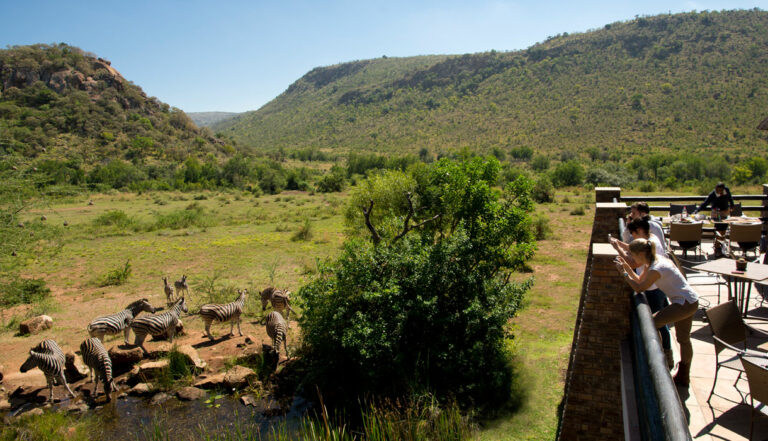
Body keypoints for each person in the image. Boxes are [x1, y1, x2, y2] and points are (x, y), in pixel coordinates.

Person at [614, 238, 699, 387]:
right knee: (683, 339)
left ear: (640, 254)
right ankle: (683, 374)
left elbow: (639, 288)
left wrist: (624, 274)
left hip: (685, 303)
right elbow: (640, 280)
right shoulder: (654, 261)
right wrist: (626, 267)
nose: (632, 259)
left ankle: (658, 361)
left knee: (651, 323)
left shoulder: (656, 268)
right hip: (690, 300)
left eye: (632, 256)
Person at [611, 218, 674, 369]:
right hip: (657, 289)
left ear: (639, 231)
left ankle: (663, 357)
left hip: (655, 291)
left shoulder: (652, 259)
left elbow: (635, 269)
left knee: (657, 324)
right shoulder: (650, 244)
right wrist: (624, 265)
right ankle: (665, 354)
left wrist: (624, 268)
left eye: (632, 234)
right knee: (658, 323)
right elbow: (638, 274)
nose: (632, 238)